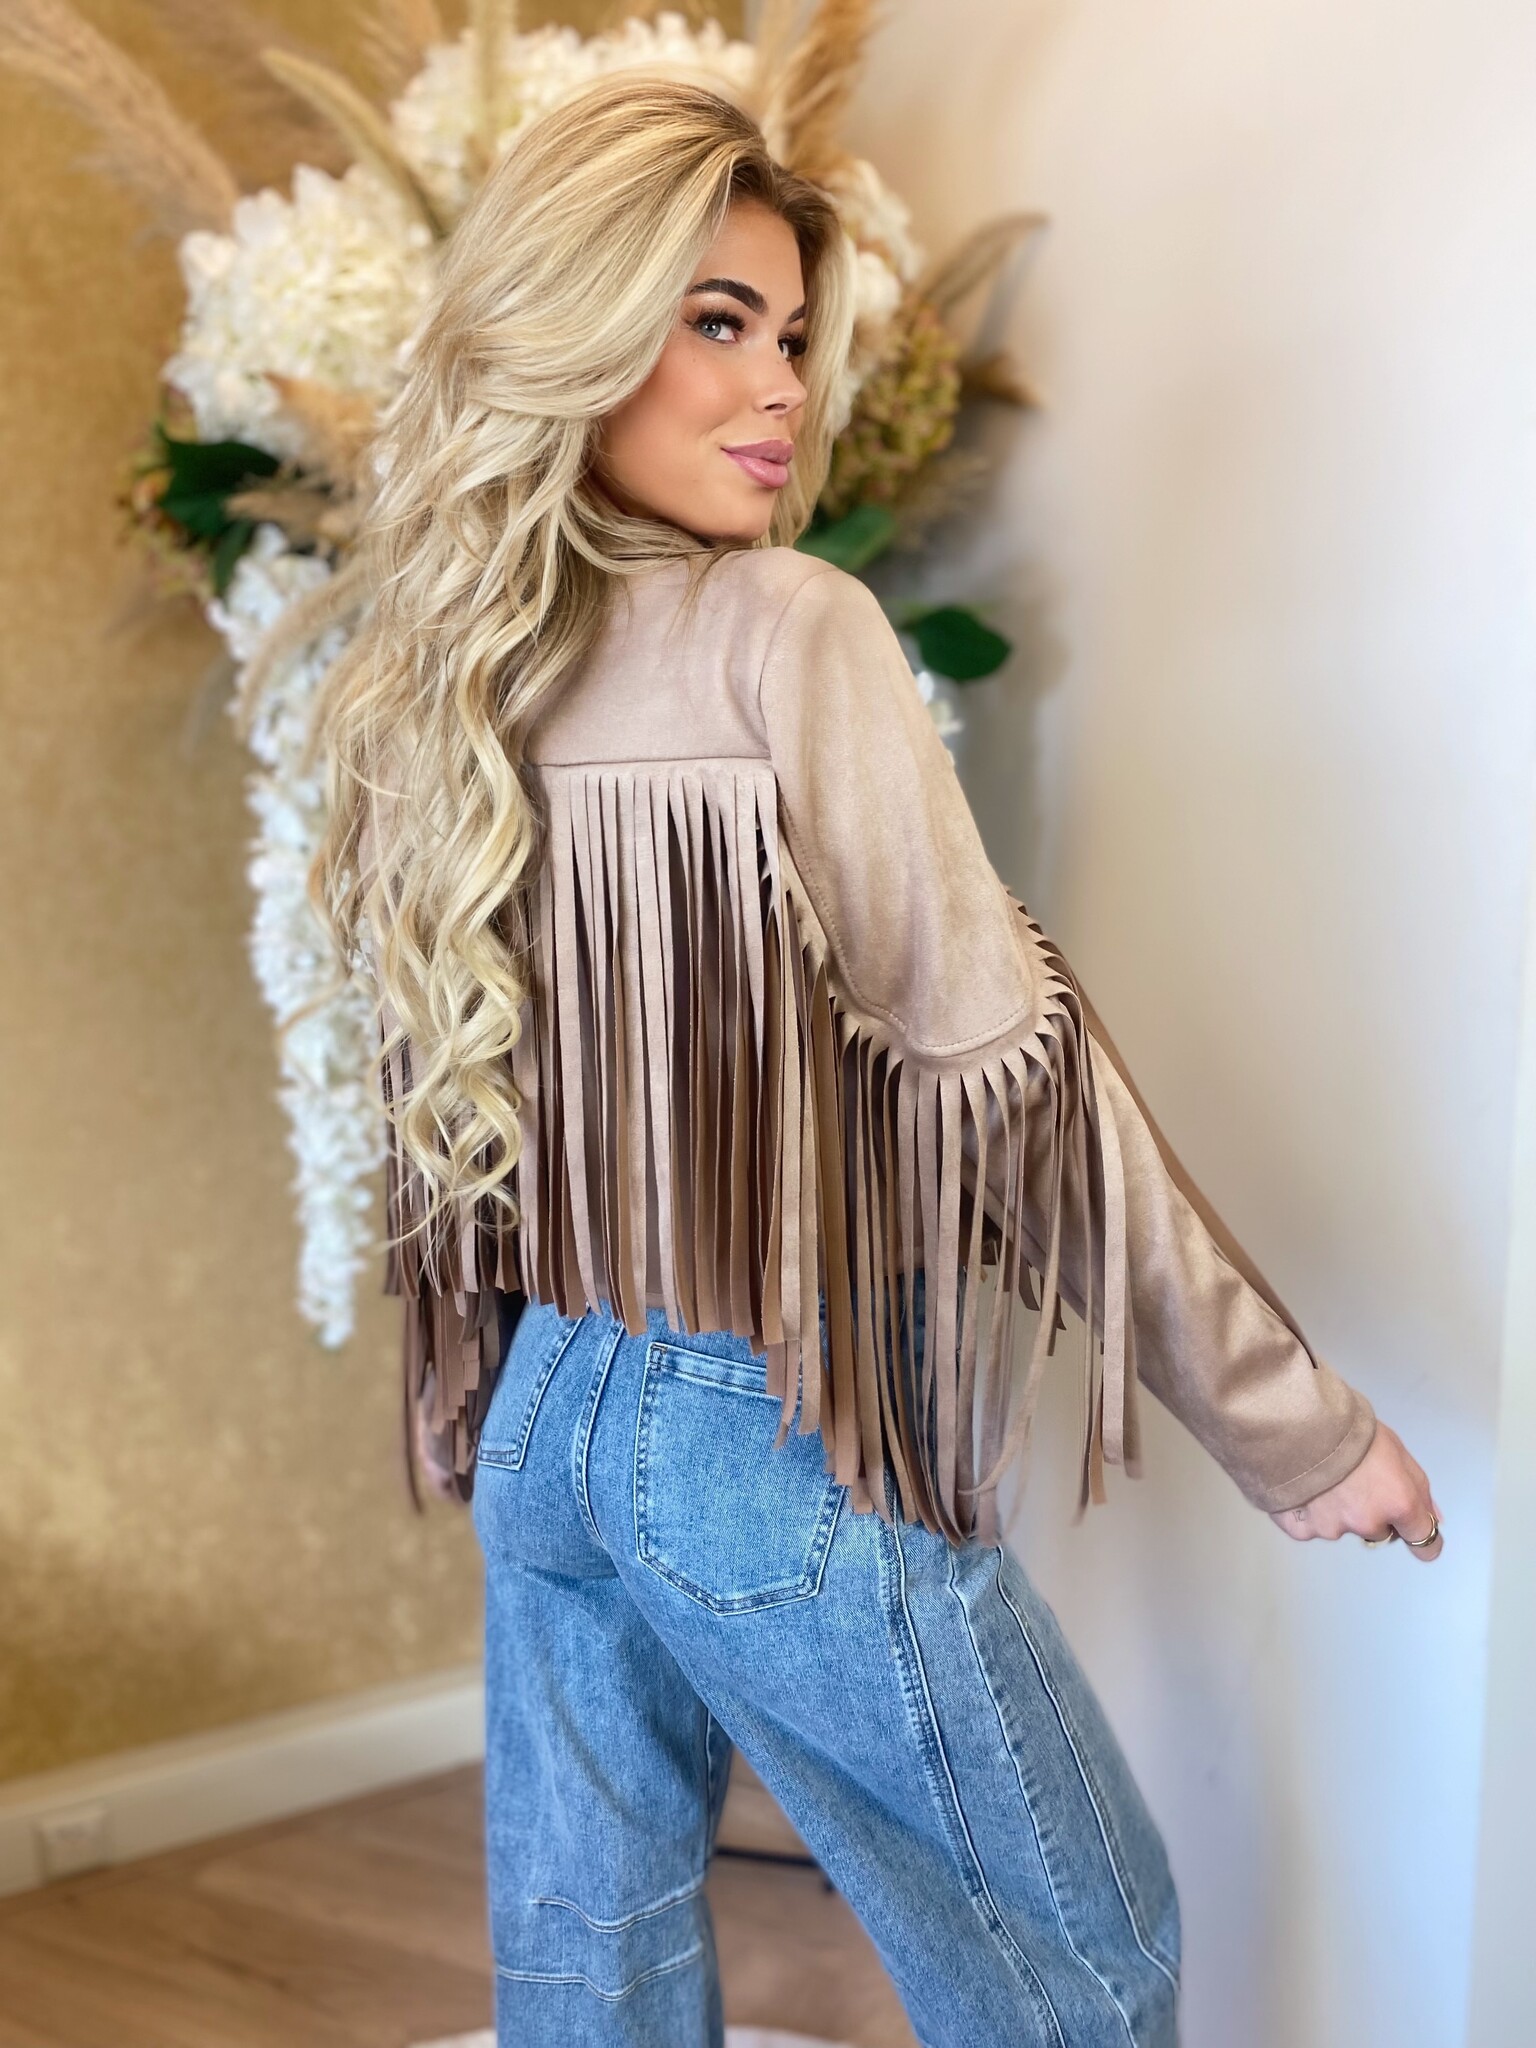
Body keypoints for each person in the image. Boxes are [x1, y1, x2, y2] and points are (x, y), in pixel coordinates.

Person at [310, 72, 1442, 2048]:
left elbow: (444, 1119)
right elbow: (1009, 1082)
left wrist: (494, 1382)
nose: (779, 386)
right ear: (581, 325)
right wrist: (1299, 1430)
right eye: (719, 320)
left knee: (591, 1971)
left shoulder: (450, 663)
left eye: (792, 332)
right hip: (761, 1431)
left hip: (548, 1414)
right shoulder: (791, 627)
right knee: (1080, 1962)